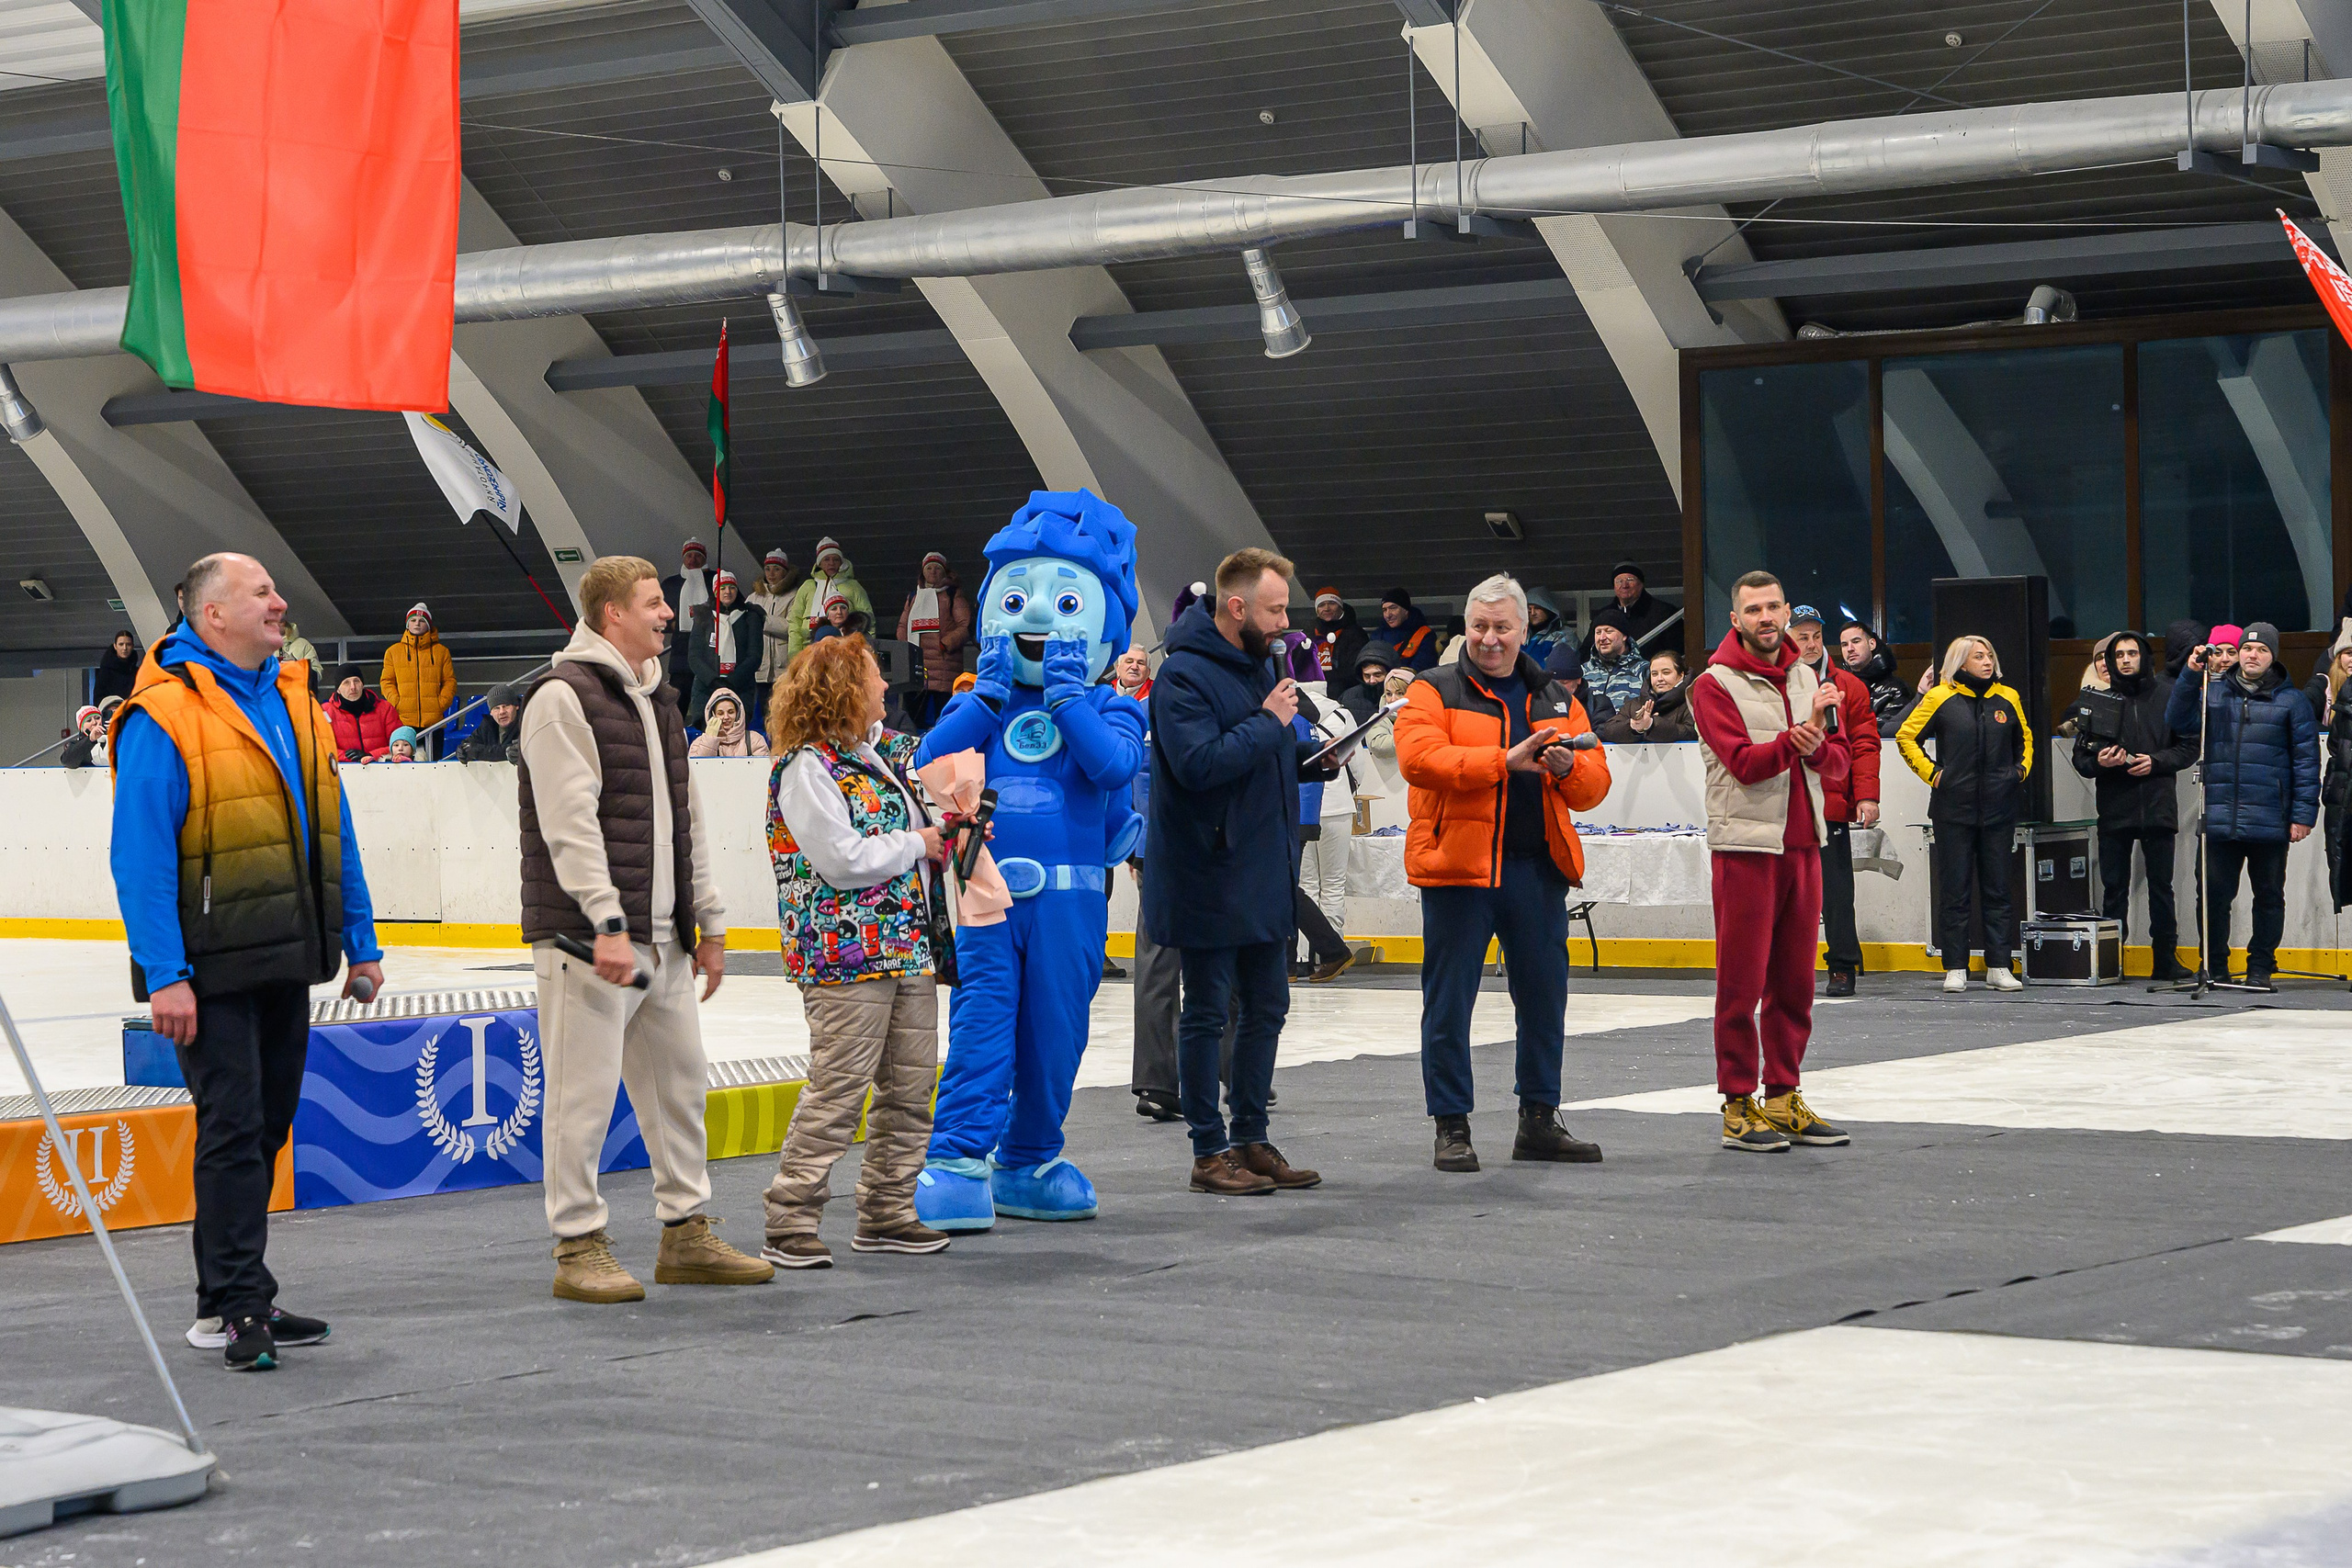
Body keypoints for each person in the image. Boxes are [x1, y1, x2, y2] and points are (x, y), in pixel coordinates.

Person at [108, 551, 385, 1371]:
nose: (281, 602)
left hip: (285, 950)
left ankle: (228, 1296)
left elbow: (334, 831)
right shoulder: (160, 715)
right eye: (262, 591)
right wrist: (164, 972)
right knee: (232, 1127)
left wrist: (361, 944)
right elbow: (141, 856)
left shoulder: (297, 701)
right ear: (212, 614)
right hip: (207, 963)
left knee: (263, 1125)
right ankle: (237, 1304)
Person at [516, 554, 772, 1303]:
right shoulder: (561, 698)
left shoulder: (658, 700)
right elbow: (570, 828)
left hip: (661, 936)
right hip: (589, 939)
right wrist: (605, 920)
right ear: (611, 615)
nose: (669, 614)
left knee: (680, 1086)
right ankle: (577, 1243)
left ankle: (685, 1231)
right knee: (580, 1095)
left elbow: (686, 823)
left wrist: (710, 924)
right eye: (655, 602)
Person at [910, 490, 1148, 1231]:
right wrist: (985, 696)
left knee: (1055, 1032)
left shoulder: (1113, 707)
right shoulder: (983, 706)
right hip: (986, 894)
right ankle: (954, 1159)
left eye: (1065, 602)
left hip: (1071, 901)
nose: (1038, 617)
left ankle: (1028, 1157)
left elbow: (1111, 768)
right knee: (984, 1025)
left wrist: (1074, 698)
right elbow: (930, 758)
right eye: (1017, 599)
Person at [1395, 574, 1612, 1173]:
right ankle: (1451, 1124)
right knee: (1448, 1002)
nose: (1490, 639)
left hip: (1537, 872)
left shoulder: (1554, 697)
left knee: (1544, 999)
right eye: (1479, 626)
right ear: (1465, 627)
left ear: (1524, 629)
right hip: (1458, 871)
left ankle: (1539, 1119)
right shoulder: (1431, 689)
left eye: (1502, 627)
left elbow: (1595, 783)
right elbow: (1419, 759)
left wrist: (1568, 768)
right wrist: (1503, 761)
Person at [1147, 546, 1332, 1198]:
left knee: (1267, 1006)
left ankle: (1251, 1136)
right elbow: (1199, 765)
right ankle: (1208, 1148)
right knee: (1206, 1013)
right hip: (1210, 870)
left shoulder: (1260, 667)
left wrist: (1315, 759)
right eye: (1275, 609)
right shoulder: (1182, 677)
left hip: (1263, 866)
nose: (1286, 622)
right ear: (1235, 607)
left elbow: (1260, 756)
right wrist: (1268, 721)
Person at [761, 634, 951, 1266]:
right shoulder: (805, 768)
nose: (885, 689)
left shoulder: (876, 757)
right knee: (839, 1091)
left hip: (905, 947)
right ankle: (790, 1218)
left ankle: (889, 1210)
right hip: (844, 959)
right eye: (873, 678)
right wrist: (918, 843)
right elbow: (840, 860)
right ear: (842, 687)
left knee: (910, 1088)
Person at [1689, 570, 1849, 1153]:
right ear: (1735, 620)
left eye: (1773, 607)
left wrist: (1819, 741)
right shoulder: (1712, 685)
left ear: (1787, 613)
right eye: (1752, 609)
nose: (1765, 617)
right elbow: (1743, 764)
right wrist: (1801, 739)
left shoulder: (1807, 675)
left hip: (1804, 847)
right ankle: (1737, 1104)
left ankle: (1782, 1096)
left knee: (1795, 985)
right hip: (1746, 849)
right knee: (1741, 984)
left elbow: (1835, 766)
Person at [2169, 622, 2319, 987]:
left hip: (2271, 818)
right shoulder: (2213, 693)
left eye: (2262, 650)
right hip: (2220, 816)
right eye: (2248, 649)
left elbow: (2306, 762)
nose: (2253, 655)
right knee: (2214, 898)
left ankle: (2260, 968)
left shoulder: (2292, 701)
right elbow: (2177, 720)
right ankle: (2215, 968)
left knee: (2268, 897)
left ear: (2272, 657)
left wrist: (2302, 815)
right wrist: (2190, 675)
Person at [1897, 635, 2033, 994]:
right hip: (1953, 809)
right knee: (1954, 890)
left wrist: (2019, 773)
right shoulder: (1939, 697)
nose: (1987, 661)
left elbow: (2026, 739)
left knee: (1999, 889)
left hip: (1999, 808)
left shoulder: (2008, 697)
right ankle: (1955, 966)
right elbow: (1905, 737)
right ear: (1960, 663)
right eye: (1978, 656)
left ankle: (1999, 965)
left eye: (1989, 654)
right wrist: (1936, 774)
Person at [2070, 630, 2192, 982]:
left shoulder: (2168, 696)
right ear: (2109, 661)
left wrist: (2156, 762)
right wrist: (2102, 763)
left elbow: (2188, 747)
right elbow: (2082, 760)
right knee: (2114, 890)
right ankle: (2111, 962)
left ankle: (2165, 960)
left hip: (2157, 805)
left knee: (2162, 888)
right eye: (2118, 654)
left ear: (2145, 657)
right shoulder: (2096, 700)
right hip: (2115, 807)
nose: (2125, 659)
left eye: (2132, 653)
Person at [1787, 605, 1880, 997]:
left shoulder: (1849, 686)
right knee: (1785, 896)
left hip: (1831, 806)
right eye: (1800, 637)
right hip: (1785, 806)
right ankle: (1785, 968)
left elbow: (1865, 744)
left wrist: (1868, 797)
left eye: (1814, 636)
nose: (1808, 644)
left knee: (1837, 895)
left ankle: (1842, 966)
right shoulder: (1775, 683)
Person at [898, 551, 974, 730]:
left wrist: (945, 643)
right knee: (915, 720)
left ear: (944, 572)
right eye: (929, 568)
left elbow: (965, 625)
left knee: (944, 719)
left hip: (944, 667)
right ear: (923, 572)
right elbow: (902, 624)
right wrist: (905, 646)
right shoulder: (913, 596)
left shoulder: (952, 594)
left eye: (937, 568)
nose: (933, 572)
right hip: (917, 666)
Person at [688, 569, 763, 719]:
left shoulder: (750, 617)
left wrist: (732, 681)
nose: (727, 592)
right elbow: (694, 656)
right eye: (722, 588)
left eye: (732, 587)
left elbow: (755, 656)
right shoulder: (704, 617)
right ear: (716, 591)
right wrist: (713, 681)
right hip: (706, 688)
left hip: (741, 687)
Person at [379, 603, 454, 750]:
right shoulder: (393, 652)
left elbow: (449, 681)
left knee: (433, 766)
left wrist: (440, 704)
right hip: (403, 721)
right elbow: (386, 681)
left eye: (422, 621)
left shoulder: (442, 652)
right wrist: (397, 703)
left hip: (434, 722)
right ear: (407, 624)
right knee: (405, 766)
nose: (417, 624)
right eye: (413, 620)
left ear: (428, 625)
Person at [786, 537, 873, 661]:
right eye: (826, 559)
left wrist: (867, 652)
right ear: (819, 563)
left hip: (846, 652)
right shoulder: (808, 586)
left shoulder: (853, 587)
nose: (831, 563)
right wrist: (795, 655)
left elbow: (868, 620)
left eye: (835, 559)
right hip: (809, 652)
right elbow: (795, 622)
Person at [1596, 649, 1697, 744]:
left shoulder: (1692, 702)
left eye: (1666, 673)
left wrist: (1652, 724)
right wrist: (1634, 726)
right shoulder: (1634, 705)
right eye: (1654, 674)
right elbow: (1608, 730)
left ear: (1681, 675)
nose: (1659, 678)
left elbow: (1691, 732)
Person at [749, 547, 800, 726]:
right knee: (762, 713)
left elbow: (792, 626)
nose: (771, 573)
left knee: (783, 712)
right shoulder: (753, 597)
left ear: (785, 572)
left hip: (783, 666)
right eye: (768, 568)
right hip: (760, 667)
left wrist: (763, 619)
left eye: (777, 569)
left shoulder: (794, 596)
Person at [662, 537, 715, 705]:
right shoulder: (671, 584)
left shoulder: (715, 580)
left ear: (704, 559)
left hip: (709, 651)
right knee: (678, 703)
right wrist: (672, 625)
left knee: (708, 702)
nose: (693, 560)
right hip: (681, 652)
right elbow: (658, 613)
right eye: (689, 555)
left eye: (697, 556)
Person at [1837, 622, 1910, 734]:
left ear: (1872, 644)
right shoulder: (1836, 686)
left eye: (1856, 641)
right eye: (1844, 645)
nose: (1850, 649)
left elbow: (1883, 733)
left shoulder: (1896, 690)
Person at [1589, 561, 1675, 651]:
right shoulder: (1602, 616)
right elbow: (1586, 652)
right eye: (1619, 581)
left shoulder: (1664, 613)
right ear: (1614, 586)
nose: (1624, 585)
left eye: (1630, 579)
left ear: (1641, 584)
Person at [322, 664, 397, 762]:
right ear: (338, 690)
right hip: (343, 773)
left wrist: (371, 756)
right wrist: (348, 757)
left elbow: (401, 744)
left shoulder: (385, 709)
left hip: (381, 770)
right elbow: (321, 748)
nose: (353, 687)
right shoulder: (325, 712)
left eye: (356, 681)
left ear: (362, 685)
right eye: (346, 683)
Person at [1583, 607, 1649, 714]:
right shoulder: (1583, 672)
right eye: (1598, 632)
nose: (1602, 638)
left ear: (1624, 636)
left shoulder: (1644, 670)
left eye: (1609, 631)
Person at [1542, 642, 1616, 728]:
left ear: (1578, 679)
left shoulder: (1598, 705)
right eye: (1553, 683)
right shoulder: (1538, 704)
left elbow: (1602, 734)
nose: (1558, 688)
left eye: (1564, 683)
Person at [1306, 587, 1365, 685]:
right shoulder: (1307, 634)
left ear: (1340, 607)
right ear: (1317, 611)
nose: (1326, 608)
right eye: (1321, 605)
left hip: (1344, 689)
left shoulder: (1355, 633)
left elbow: (1355, 670)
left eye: (1332, 603)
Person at [454, 683, 524, 764]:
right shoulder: (488, 724)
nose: (502, 712)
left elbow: (513, 750)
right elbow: (469, 744)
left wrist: (478, 752)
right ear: (491, 712)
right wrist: (462, 752)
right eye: (496, 708)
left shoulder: (526, 723)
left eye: (506, 706)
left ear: (516, 706)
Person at [689, 687, 769, 757]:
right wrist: (710, 740)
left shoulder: (755, 739)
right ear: (713, 715)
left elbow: (763, 771)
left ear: (738, 713)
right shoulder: (699, 743)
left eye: (731, 712)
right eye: (720, 713)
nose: (726, 717)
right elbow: (699, 769)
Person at [1374, 587, 1439, 671]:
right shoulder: (1377, 635)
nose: (1388, 615)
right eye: (1384, 610)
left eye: (1393, 608)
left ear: (1406, 610)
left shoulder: (1424, 634)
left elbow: (1422, 668)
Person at [1339, 641, 1398, 725]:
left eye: (1377, 675)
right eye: (1367, 676)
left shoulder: (1401, 697)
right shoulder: (1347, 697)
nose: (1372, 680)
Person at [1523, 588, 1569, 665]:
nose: (1532, 613)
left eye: (1537, 608)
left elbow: (1558, 667)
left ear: (1548, 609)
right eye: (1529, 609)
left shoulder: (1564, 635)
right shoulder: (1520, 635)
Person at [94, 628, 141, 705]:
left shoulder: (138, 672)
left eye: (128, 644)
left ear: (132, 646)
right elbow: (98, 699)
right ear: (115, 646)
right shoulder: (105, 672)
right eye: (121, 644)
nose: (124, 648)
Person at [61, 704, 107, 769]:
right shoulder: (76, 745)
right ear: (81, 728)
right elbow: (68, 761)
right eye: (89, 720)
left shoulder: (112, 738)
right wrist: (90, 739)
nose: (94, 722)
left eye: (97, 718)